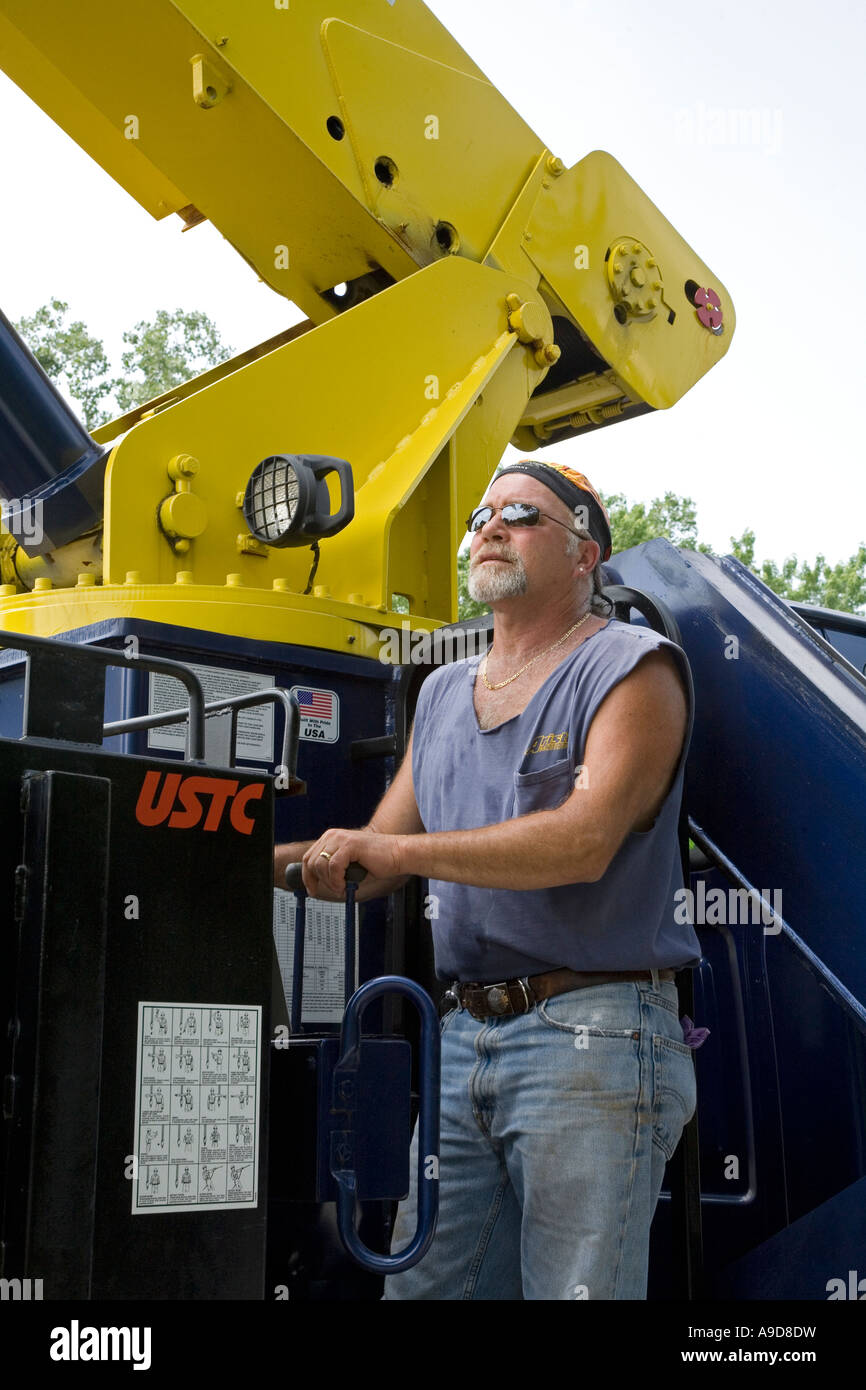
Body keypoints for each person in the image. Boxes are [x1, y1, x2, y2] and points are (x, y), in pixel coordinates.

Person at [274, 460, 700, 1300]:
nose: (491, 527)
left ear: (586, 556)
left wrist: (402, 857)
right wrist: (224, 860)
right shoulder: (439, 694)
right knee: (423, 1291)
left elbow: (582, 842)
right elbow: (373, 856)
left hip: (596, 1035)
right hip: (465, 1033)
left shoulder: (633, 666)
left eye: (523, 514)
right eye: (482, 515)